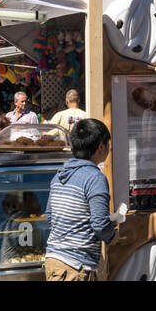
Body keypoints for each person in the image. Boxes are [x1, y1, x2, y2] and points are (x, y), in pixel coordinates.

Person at [44, 118, 118, 281]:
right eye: (108, 144)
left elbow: (49, 216)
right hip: (76, 267)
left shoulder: (59, 174)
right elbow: (99, 224)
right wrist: (114, 237)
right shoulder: (95, 177)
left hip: (54, 262)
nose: (109, 148)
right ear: (100, 147)